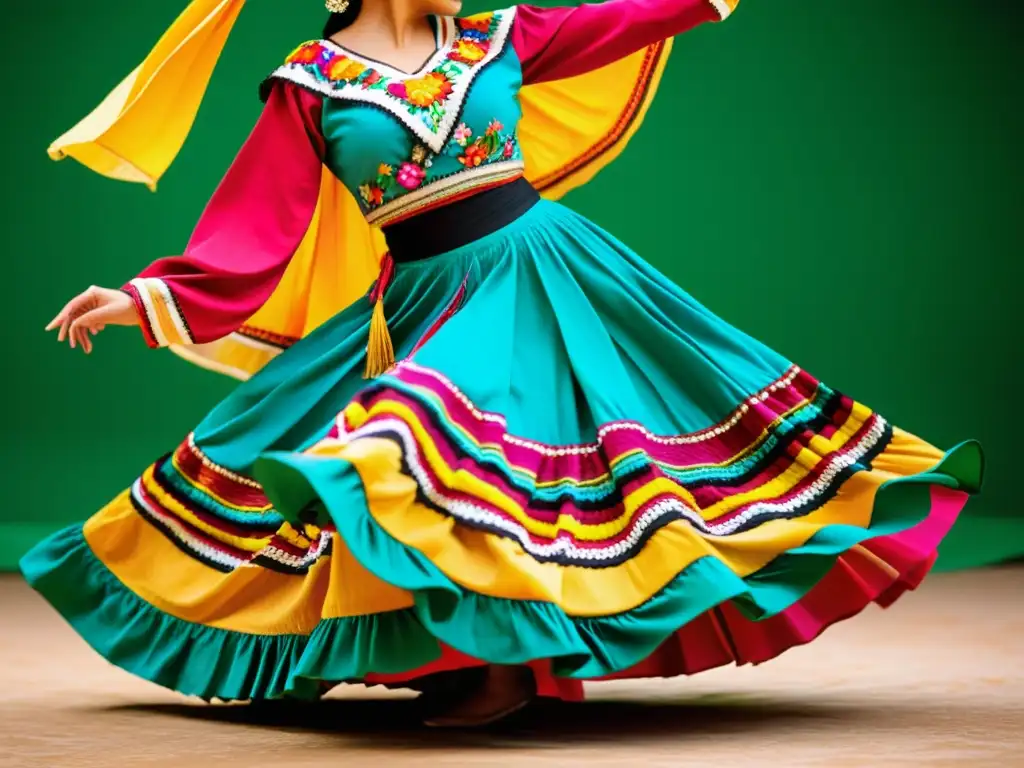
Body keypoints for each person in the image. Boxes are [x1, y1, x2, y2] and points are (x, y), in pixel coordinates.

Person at [24, 0, 983, 729]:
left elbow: (634, 13)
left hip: (547, 274)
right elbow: (255, 229)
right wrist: (144, 300)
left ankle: (507, 660)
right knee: (377, 446)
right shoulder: (307, 85)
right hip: (423, 301)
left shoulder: (499, 33)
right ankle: (429, 646)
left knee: (483, 446)